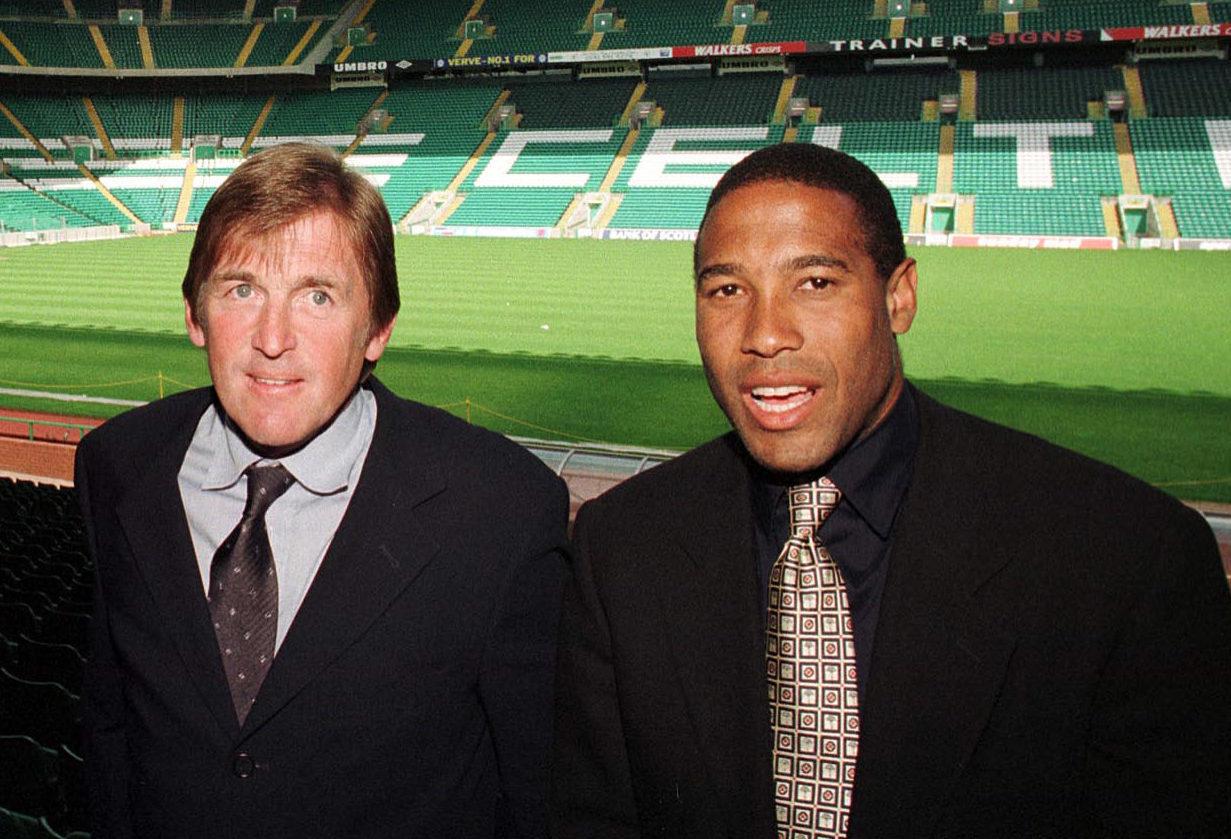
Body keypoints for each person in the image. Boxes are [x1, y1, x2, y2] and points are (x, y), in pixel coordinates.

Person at [551, 142, 1231, 838]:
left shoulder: (1124, 560)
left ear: (898, 296)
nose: (764, 335)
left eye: (814, 281)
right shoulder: (621, 545)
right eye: (726, 289)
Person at [76, 143, 568, 839]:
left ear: (378, 329)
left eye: (318, 295)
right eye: (241, 289)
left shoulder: (502, 509)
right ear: (194, 314)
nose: (273, 339)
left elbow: (538, 793)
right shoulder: (117, 465)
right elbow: (110, 723)